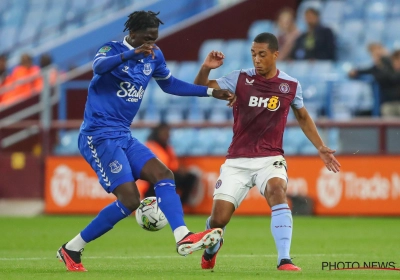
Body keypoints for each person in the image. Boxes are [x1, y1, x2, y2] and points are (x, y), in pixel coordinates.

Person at [56, 11, 235, 272]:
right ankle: (72, 248)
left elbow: (170, 84)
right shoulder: (113, 49)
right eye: (147, 38)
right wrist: (132, 54)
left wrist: (210, 91)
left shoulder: (154, 55)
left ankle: (183, 236)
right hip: (98, 135)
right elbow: (98, 67)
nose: (151, 43)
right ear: (133, 34)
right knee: (129, 200)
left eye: (155, 38)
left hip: (123, 134)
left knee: (164, 174)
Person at [194, 32, 340, 271]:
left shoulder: (290, 85)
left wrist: (320, 147)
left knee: (276, 191)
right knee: (219, 220)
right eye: (253, 54)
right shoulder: (239, 79)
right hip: (237, 160)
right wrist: (206, 68)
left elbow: (302, 116)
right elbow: (199, 88)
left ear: (275, 54)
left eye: (262, 54)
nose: (257, 59)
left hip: (270, 158)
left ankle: (284, 259)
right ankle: (212, 247)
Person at [142, 123, 199, 206]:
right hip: (151, 179)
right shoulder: (150, 145)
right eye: (164, 133)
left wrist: (181, 171)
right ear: (157, 133)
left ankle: (181, 205)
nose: (167, 135)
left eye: (168, 133)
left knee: (190, 177)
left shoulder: (168, 148)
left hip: (167, 175)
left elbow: (174, 165)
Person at [349, 45, 400, 117]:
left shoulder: (390, 67)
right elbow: (359, 71)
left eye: (379, 55)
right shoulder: (376, 69)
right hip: (388, 104)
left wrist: (386, 60)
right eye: (375, 55)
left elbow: (392, 77)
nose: (377, 58)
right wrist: (353, 72)